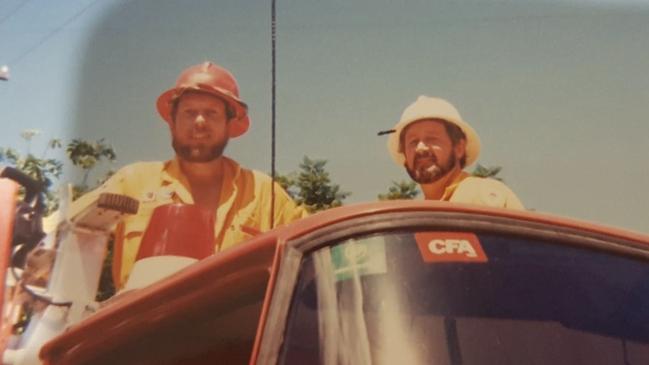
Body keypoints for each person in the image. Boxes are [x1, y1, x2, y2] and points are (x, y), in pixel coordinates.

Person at [73, 62, 306, 289]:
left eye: (212, 113)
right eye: (189, 112)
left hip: (241, 326)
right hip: (144, 325)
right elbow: (65, 230)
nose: (200, 122)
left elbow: (316, 246)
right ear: (172, 122)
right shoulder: (133, 181)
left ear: (229, 125)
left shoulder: (263, 191)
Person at [386, 95, 524, 209]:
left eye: (432, 138)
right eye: (413, 141)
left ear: (459, 148)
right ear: (404, 155)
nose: (421, 148)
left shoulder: (482, 197)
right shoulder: (414, 216)